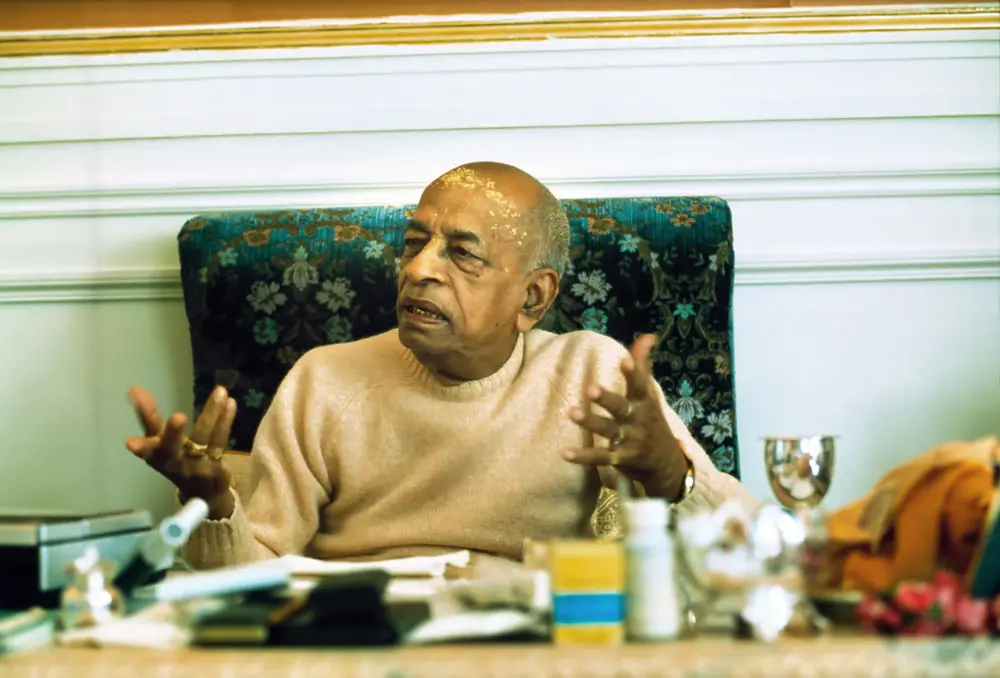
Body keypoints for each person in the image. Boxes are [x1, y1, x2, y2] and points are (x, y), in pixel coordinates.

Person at [126, 161, 756, 568]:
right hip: (365, 644)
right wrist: (210, 504)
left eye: (462, 254)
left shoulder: (592, 374)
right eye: (415, 243)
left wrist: (675, 479)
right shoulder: (325, 380)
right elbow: (249, 578)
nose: (420, 268)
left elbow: (751, 543)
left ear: (532, 298)